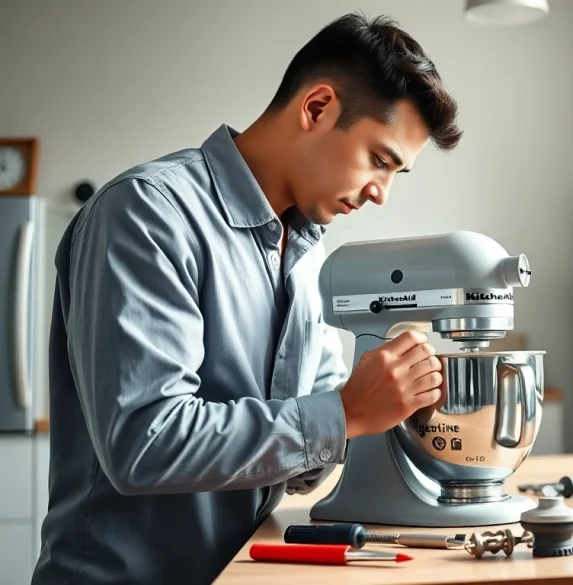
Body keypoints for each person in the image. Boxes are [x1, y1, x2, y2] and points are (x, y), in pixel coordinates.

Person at [32, 12, 462, 585]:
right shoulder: (147, 214)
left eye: (396, 173)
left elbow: (304, 460)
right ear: (317, 108)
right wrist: (345, 412)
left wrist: (380, 406)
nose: (380, 192)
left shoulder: (304, 251)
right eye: (379, 160)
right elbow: (146, 442)